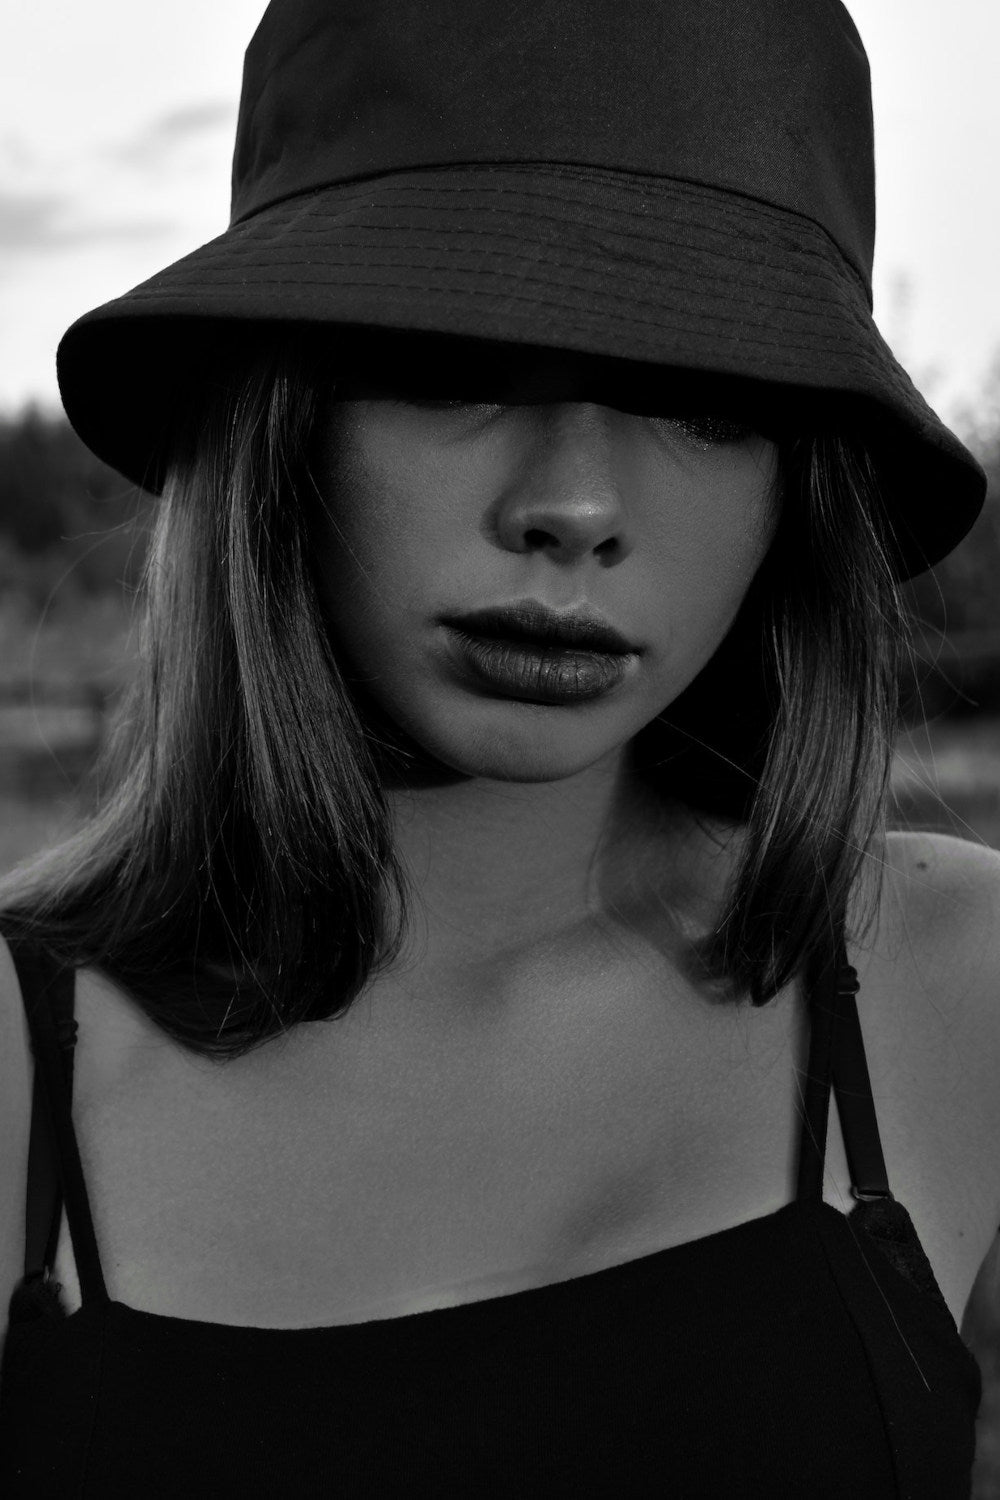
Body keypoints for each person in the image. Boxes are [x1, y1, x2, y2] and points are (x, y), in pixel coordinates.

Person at [0, 0, 997, 1493]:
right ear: (277, 421)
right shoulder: (20, 1062)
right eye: (456, 364)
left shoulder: (958, 989)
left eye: (705, 403)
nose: (574, 505)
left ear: (800, 485)